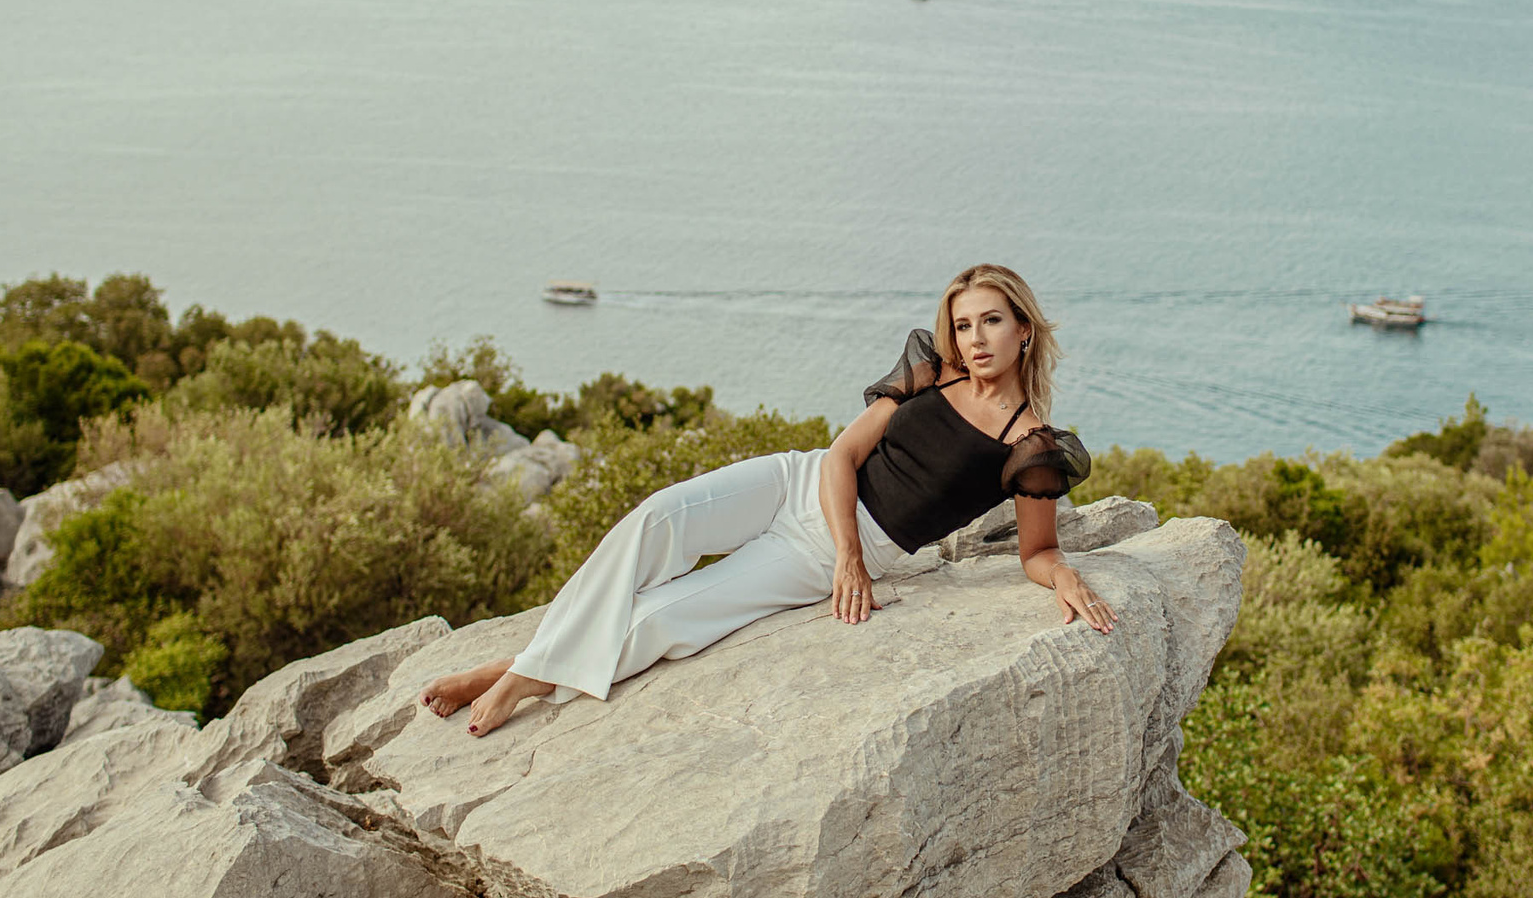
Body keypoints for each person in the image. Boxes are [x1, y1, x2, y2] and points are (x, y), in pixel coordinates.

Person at [419, 262, 1102, 737]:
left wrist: (1063, 575)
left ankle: (518, 674)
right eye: (964, 324)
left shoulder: (1030, 447)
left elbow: (1037, 551)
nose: (974, 339)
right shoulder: (933, 370)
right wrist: (849, 555)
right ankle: (532, 661)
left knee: (667, 617)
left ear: (1023, 329)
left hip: (826, 551)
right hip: (802, 482)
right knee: (654, 521)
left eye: (990, 321)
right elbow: (842, 454)